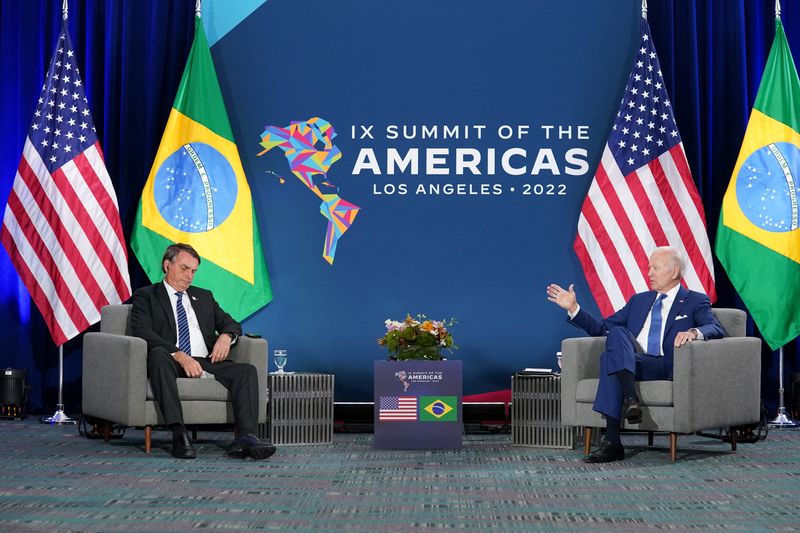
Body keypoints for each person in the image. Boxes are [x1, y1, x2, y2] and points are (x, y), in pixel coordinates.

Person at [546, 246, 724, 463]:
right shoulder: (639, 301)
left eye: (655, 268)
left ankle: (613, 442)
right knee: (618, 334)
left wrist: (694, 332)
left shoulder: (696, 300)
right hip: (633, 362)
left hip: (665, 364)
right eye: (649, 267)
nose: (649, 273)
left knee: (609, 360)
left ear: (675, 272)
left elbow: (714, 328)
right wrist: (574, 308)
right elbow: (602, 328)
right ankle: (630, 400)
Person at [131, 243, 275, 460]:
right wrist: (179, 354)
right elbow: (142, 330)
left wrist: (226, 337)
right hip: (171, 361)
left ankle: (245, 437)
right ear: (167, 265)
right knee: (158, 355)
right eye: (184, 269)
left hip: (205, 360)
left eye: (193, 271)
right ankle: (179, 433)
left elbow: (231, 323)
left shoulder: (204, 296)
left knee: (246, 371)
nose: (189, 276)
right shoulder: (147, 295)